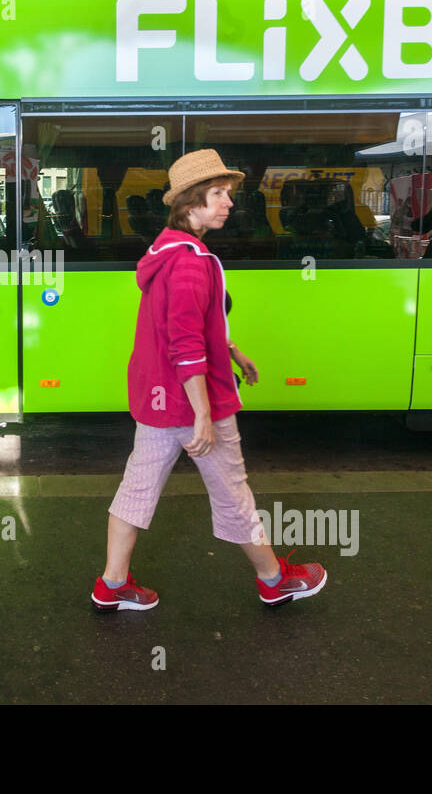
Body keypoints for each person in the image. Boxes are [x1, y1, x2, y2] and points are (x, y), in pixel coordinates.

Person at [92, 149, 326, 612]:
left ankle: (111, 585)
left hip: (157, 400)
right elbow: (184, 344)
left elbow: (191, 325)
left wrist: (233, 351)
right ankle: (273, 579)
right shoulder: (191, 262)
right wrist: (202, 413)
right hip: (197, 404)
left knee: (136, 488)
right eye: (218, 194)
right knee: (234, 494)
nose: (229, 203)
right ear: (188, 204)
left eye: (227, 194)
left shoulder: (165, 250)